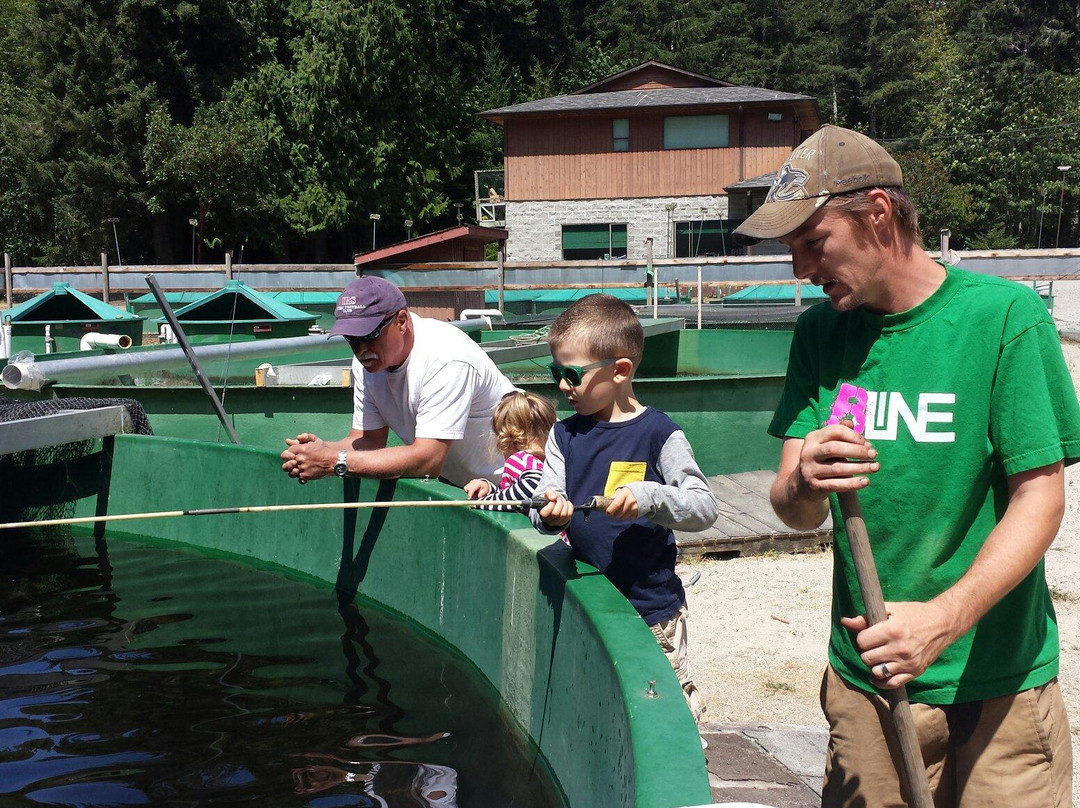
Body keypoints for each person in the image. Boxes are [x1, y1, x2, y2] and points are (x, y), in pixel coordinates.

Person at [735, 124, 1080, 807]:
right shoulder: (821, 334)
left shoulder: (1002, 317)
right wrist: (806, 478)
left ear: (879, 215)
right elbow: (792, 509)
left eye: (813, 243)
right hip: (869, 684)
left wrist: (943, 620)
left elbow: (1040, 500)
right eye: (790, 251)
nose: (801, 270)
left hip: (997, 679)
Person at [530, 294, 718, 722]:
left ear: (620, 370)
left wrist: (651, 497)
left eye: (572, 374)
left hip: (650, 611)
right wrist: (548, 511)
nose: (562, 386)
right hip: (590, 604)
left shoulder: (659, 433)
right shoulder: (563, 434)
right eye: (556, 373)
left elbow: (704, 507)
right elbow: (544, 498)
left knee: (659, 711)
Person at [281, 276, 515, 488]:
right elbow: (369, 441)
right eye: (352, 339)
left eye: (369, 336)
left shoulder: (446, 356)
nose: (361, 349)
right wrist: (322, 450)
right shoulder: (366, 365)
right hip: (469, 487)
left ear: (401, 321)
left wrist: (332, 461)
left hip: (520, 486)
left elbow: (429, 459)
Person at [464, 390, 557, 510]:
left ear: (504, 437)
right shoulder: (549, 462)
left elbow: (529, 488)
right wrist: (490, 489)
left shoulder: (520, 460)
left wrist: (484, 502)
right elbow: (514, 494)